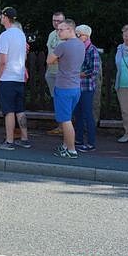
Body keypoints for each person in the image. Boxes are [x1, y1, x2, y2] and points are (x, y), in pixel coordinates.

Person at [46, 19, 85, 159]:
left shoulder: (63, 46)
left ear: (70, 29)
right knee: (67, 117)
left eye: (61, 29)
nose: (58, 32)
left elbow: (49, 60)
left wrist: (58, 58)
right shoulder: (81, 45)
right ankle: (65, 145)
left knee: (65, 120)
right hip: (75, 87)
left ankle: (71, 149)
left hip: (63, 87)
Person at [0, 7, 30, 150]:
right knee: (20, 109)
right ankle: (24, 138)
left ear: (5, 17)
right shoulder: (21, 35)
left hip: (7, 76)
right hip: (19, 76)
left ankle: (9, 141)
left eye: (1, 16)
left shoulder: (5, 36)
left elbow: (3, 60)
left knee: (8, 110)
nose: (0, 18)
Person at [74, 25, 100, 152]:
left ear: (86, 36)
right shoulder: (78, 49)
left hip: (87, 87)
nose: (77, 37)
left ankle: (91, 142)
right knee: (77, 113)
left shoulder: (92, 50)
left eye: (79, 35)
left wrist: (79, 73)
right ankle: (78, 139)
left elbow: (94, 70)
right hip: (76, 86)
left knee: (87, 114)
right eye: (76, 34)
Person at [45, 11, 66, 135]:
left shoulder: (66, 36)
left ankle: (65, 127)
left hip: (61, 73)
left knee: (63, 100)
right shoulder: (52, 34)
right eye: (54, 20)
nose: (56, 23)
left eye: (59, 21)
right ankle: (60, 126)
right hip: (51, 71)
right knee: (56, 99)